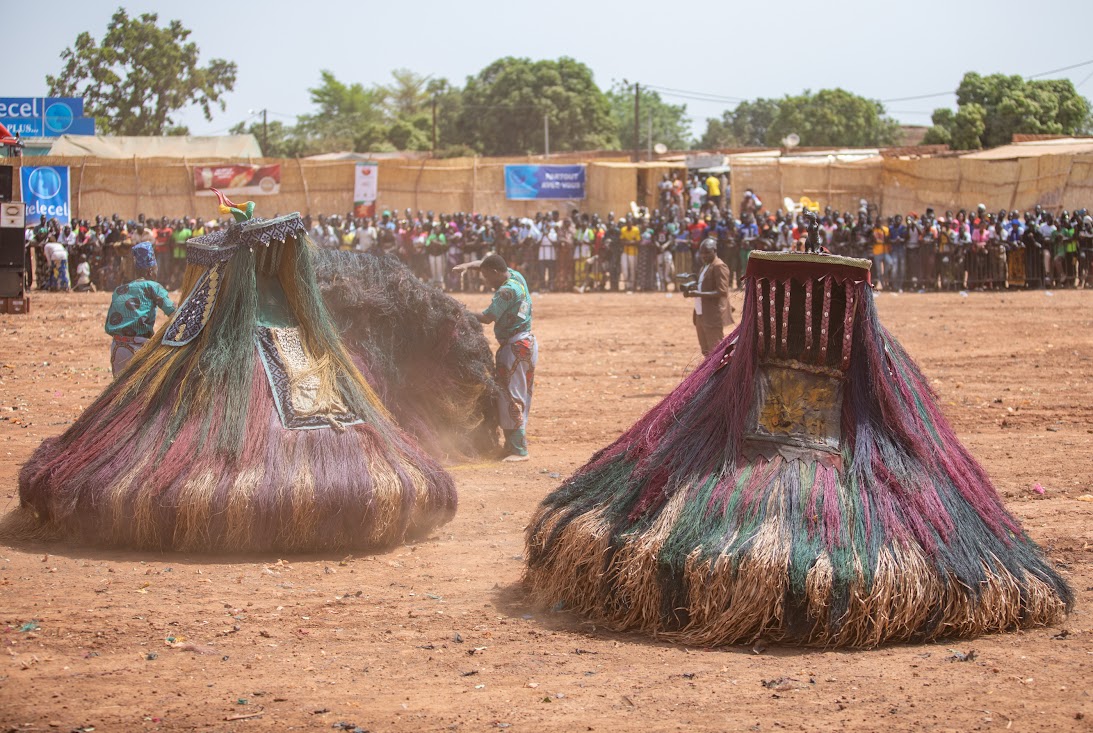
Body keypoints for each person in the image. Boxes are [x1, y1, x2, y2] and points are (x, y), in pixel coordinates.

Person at [460, 253, 537, 462]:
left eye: (486, 277)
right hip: (525, 344)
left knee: (510, 396)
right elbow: (487, 263)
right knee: (515, 393)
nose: (486, 281)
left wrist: (460, 311)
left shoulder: (506, 291)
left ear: (495, 273)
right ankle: (512, 445)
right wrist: (469, 265)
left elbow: (486, 318)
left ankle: (519, 450)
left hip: (515, 348)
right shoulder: (515, 276)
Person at [104, 241, 176, 376]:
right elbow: (174, 314)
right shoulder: (153, 287)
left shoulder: (119, 290)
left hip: (117, 347)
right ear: (150, 270)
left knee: (119, 391)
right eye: (155, 269)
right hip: (139, 349)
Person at [683, 238, 733, 356]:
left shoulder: (719, 266)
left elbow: (722, 292)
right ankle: (711, 375)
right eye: (702, 253)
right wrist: (693, 290)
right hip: (701, 314)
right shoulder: (705, 266)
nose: (704, 255)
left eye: (707, 252)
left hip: (712, 315)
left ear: (715, 251)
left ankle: (720, 375)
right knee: (706, 351)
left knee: (717, 353)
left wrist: (697, 294)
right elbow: (704, 287)